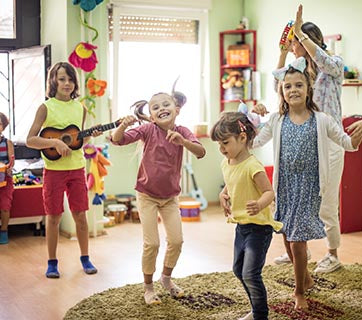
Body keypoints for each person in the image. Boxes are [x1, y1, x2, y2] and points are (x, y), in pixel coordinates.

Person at [253, 56, 362, 309]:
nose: (293, 90)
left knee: (297, 239)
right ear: (282, 92)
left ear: (308, 89)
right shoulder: (276, 120)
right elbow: (254, 143)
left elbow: (348, 144)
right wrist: (252, 116)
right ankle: (305, 276)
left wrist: (359, 130)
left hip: (310, 186)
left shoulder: (322, 119)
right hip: (284, 186)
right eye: (288, 86)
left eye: (298, 85)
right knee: (285, 232)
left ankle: (299, 292)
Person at [264, 4, 352, 274]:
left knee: (325, 203)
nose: (292, 48)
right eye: (291, 44)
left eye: (295, 43)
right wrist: (282, 49)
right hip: (301, 139)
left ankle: (333, 254)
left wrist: (299, 32)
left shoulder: (332, 65)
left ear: (307, 40)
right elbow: (277, 82)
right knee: (291, 198)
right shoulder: (299, 69)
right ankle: (299, 249)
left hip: (330, 141)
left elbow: (323, 60)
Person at [110, 90, 206, 305]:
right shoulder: (147, 130)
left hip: (170, 197)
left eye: (166, 105)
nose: (162, 108)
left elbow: (200, 152)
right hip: (146, 196)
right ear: (152, 116)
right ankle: (148, 287)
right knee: (151, 244)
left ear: (177, 110)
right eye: (156, 107)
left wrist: (183, 141)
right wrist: (123, 126)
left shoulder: (182, 131)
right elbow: (118, 140)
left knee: (177, 241)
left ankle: (166, 278)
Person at [26, 61, 100, 278]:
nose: (66, 83)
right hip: (53, 172)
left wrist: (90, 135)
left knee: (81, 217)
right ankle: (52, 262)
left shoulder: (81, 108)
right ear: (53, 82)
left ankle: (85, 258)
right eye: (61, 79)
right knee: (54, 217)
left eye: (70, 79)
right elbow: (30, 140)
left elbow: (78, 141)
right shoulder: (45, 107)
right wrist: (55, 144)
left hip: (77, 169)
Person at [211, 111, 282, 320]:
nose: (222, 149)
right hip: (242, 226)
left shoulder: (253, 166)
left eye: (225, 143)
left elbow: (269, 192)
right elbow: (231, 183)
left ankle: (261, 315)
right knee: (238, 269)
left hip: (260, 228)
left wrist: (259, 204)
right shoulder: (227, 163)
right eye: (219, 145)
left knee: (251, 273)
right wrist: (223, 194)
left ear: (242, 138)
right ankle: (255, 307)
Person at [0, 112, 14, 245]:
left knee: (5, 206)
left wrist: (9, 167)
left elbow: (11, 160)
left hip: (5, 179)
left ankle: (3, 231)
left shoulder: (7, 142)